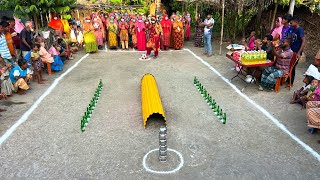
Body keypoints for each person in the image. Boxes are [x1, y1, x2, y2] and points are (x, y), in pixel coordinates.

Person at [288, 16, 305, 86]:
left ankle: (291, 82)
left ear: (296, 22)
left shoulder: (300, 30)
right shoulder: (292, 28)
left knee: (293, 67)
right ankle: (288, 80)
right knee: (289, 65)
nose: (290, 24)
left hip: (296, 51)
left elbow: (304, 42)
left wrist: (299, 53)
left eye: (291, 23)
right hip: (291, 50)